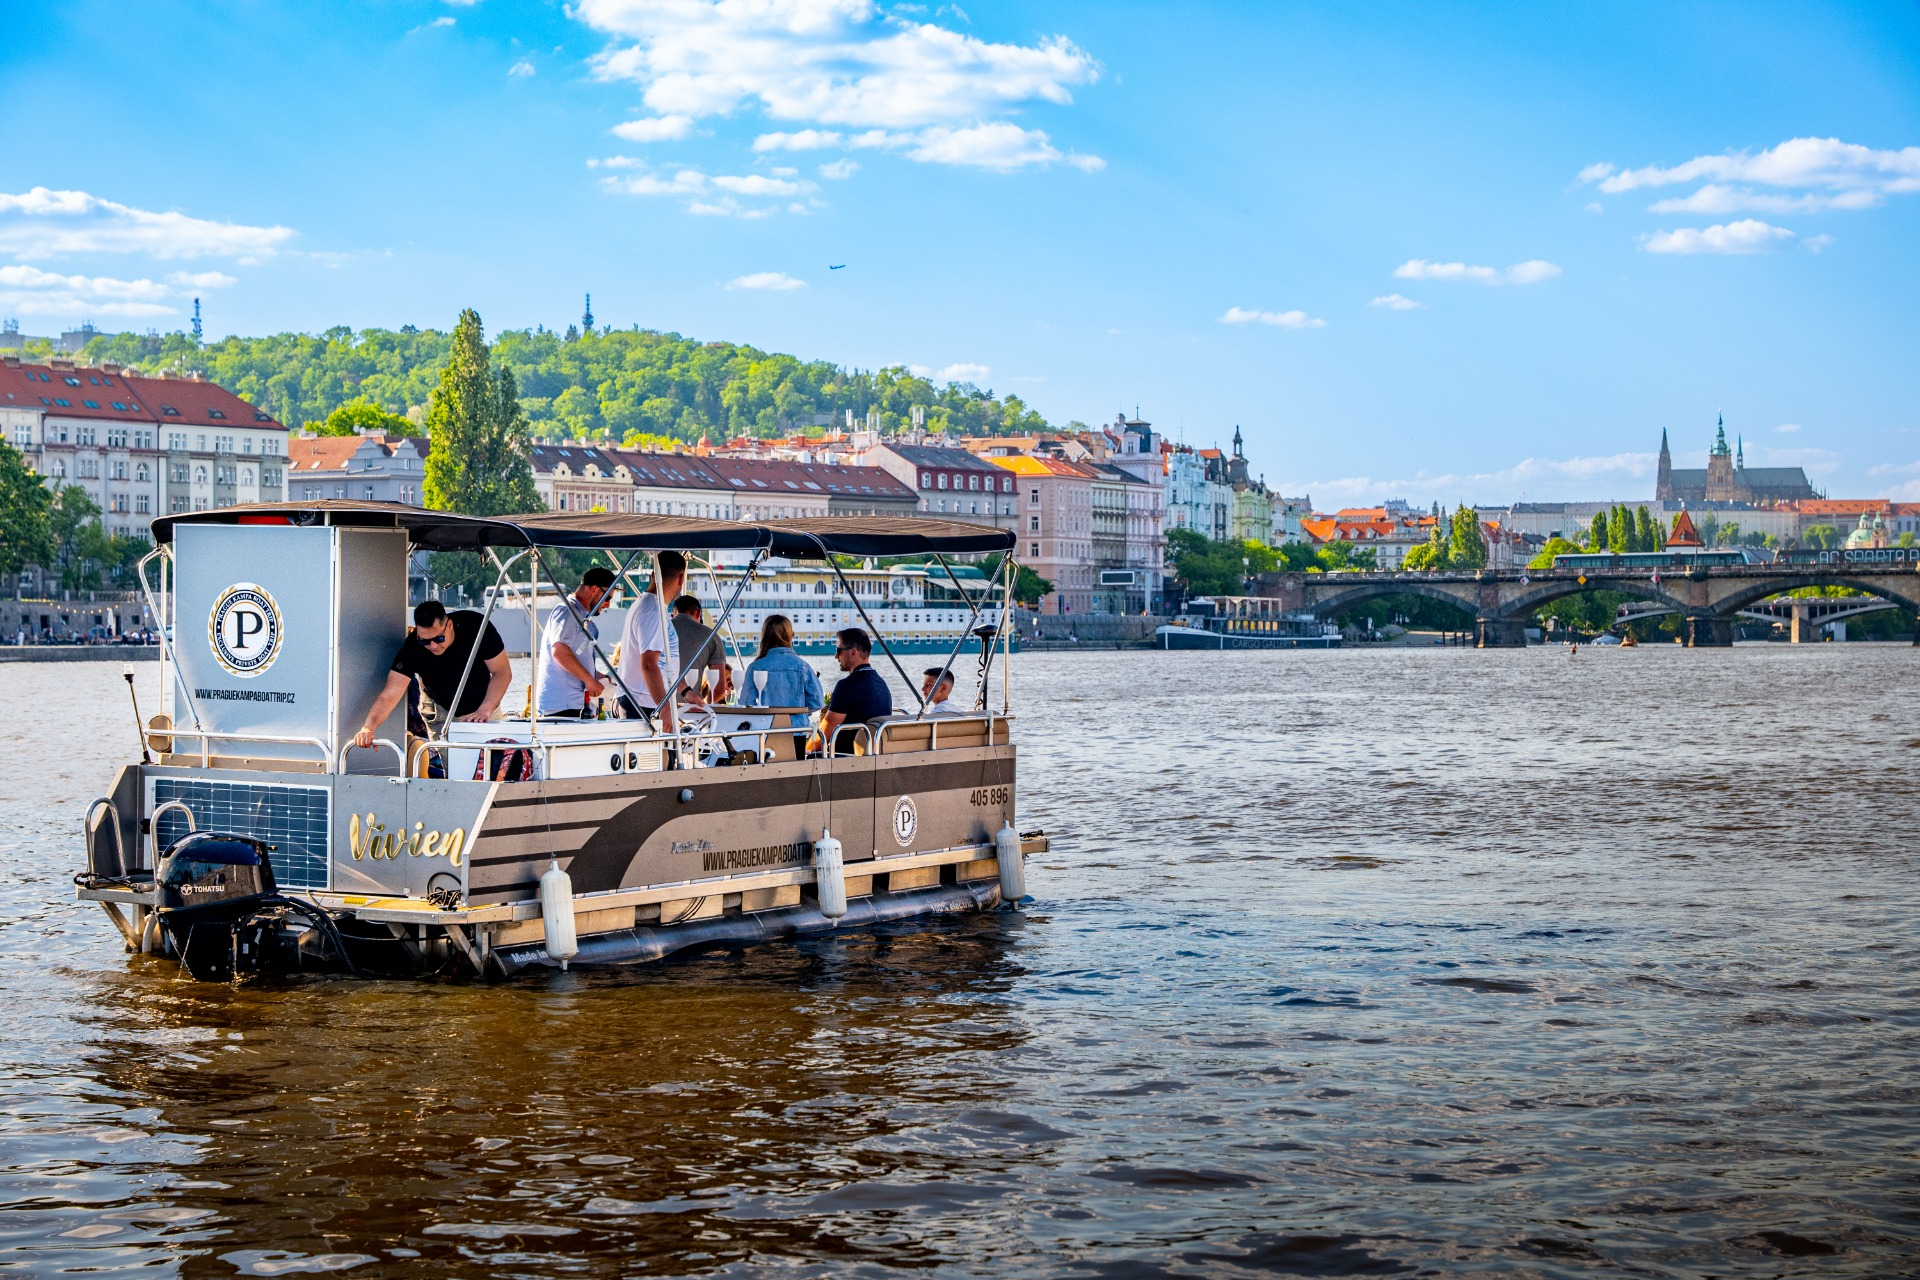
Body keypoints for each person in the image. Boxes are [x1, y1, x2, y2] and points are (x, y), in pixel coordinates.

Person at [355, 600, 510, 749]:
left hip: (485, 705)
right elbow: (389, 694)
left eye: (439, 638)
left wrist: (485, 709)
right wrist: (368, 728)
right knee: (452, 772)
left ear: (449, 625)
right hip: (440, 711)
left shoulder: (476, 627)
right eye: (426, 641)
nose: (434, 646)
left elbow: (502, 673)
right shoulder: (412, 648)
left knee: (495, 767)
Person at [616, 550, 683, 731]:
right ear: (681, 578)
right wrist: (665, 707)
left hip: (643, 702)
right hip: (642, 705)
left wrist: (685, 691)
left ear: (653, 575)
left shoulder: (647, 606)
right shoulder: (653, 612)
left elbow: (663, 664)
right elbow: (649, 665)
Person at [537, 566, 616, 717]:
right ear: (594, 589)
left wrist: (605, 680)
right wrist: (589, 680)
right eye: (607, 598)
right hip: (564, 707)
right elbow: (559, 650)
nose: (608, 604)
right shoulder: (568, 612)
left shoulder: (580, 617)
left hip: (575, 705)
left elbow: (578, 661)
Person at [819, 627, 891, 755]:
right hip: (874, 756)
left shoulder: (847, 686)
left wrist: (806, 751)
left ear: (853, 652)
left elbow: (823, 735)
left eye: (838, 650)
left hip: (844, 760)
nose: (836, 656)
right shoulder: (882, 685)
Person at [741, 615, 824, 720]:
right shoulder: (802, 666)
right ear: (790, 636)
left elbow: (745, 704)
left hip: (765, 730)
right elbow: (817, 702)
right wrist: (800, 712)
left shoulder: (755, 667)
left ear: (764, 637)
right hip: (797, 731)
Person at [671, 594, 731, 704]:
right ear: (699, 613)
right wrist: (703, 705)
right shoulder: (711, 636)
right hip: (690, 708)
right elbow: (719, 687)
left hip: (656, 706)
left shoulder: (659, 631)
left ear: (672, 616)